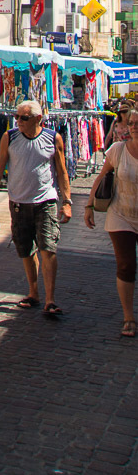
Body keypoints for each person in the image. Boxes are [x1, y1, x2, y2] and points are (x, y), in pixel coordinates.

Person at [0, 99, 70, 318]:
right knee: (25, 249)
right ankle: (33, 292)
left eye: (24, 118)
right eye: (16, 117)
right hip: (18, 202)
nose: (18, 121)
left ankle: (50, 299)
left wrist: (66, 202)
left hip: (45, 201)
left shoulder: (52, 138)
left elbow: (62, 171)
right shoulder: (10, 137)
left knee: (48, 248)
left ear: (38, 119)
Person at [84, 107, 138, 337]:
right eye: (132, 123)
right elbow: (102, 176)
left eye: (137, 123)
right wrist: (89, 206)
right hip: (121, 214)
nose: (134, 127)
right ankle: (128, 317)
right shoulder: (118, 150)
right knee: (126, 264)